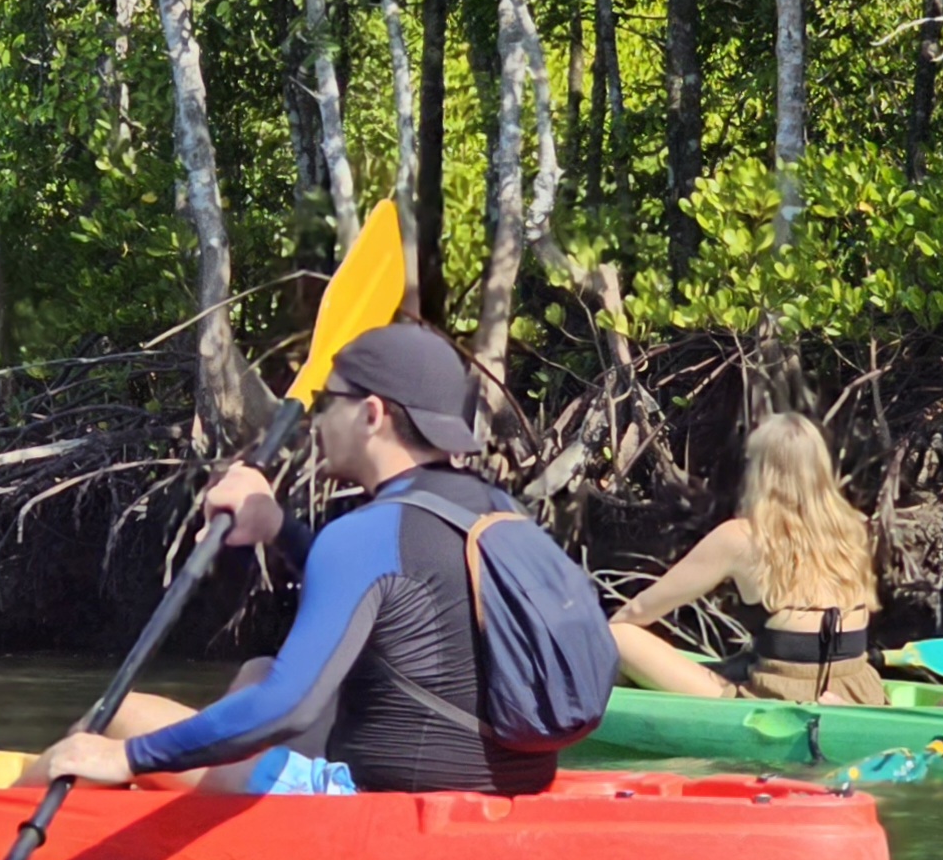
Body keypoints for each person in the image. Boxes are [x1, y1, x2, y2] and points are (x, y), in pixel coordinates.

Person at [41, 322, 558, 798]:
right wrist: (279, 529)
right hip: (506, 781)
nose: (317, 421)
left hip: (379, 801)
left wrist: (130, 757)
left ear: (371, 415)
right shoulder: (499, 511)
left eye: (329, 402)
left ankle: (11, 807)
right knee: (259, 671)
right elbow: (387, 592)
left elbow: (286, 709)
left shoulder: (367, 533)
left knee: (124, 716)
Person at [604, 411, 886, 705]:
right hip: (859, 691)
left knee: (617, 634)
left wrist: (616, 658)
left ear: (759, 471)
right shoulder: (855, 528)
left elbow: (639, 610)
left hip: (777, 695)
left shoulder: (741, 536)